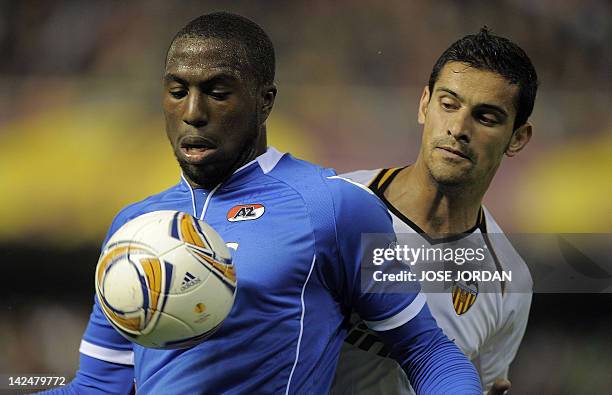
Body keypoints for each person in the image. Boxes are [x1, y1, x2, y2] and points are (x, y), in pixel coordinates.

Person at [45, 12, 481, 394]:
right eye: (178, 91)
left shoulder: (333, 207)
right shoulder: (133, 228)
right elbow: (96, 387)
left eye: (217, 92)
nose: (193, 112)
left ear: (264, 101)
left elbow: (425, 350)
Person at [333, 28, 536, 395]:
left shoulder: (510, 283)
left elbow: (486, 384)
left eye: (486, 117)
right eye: (449, 104)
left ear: (518, 138)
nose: (458, 128)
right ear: (424, 104)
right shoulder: (335, 205)